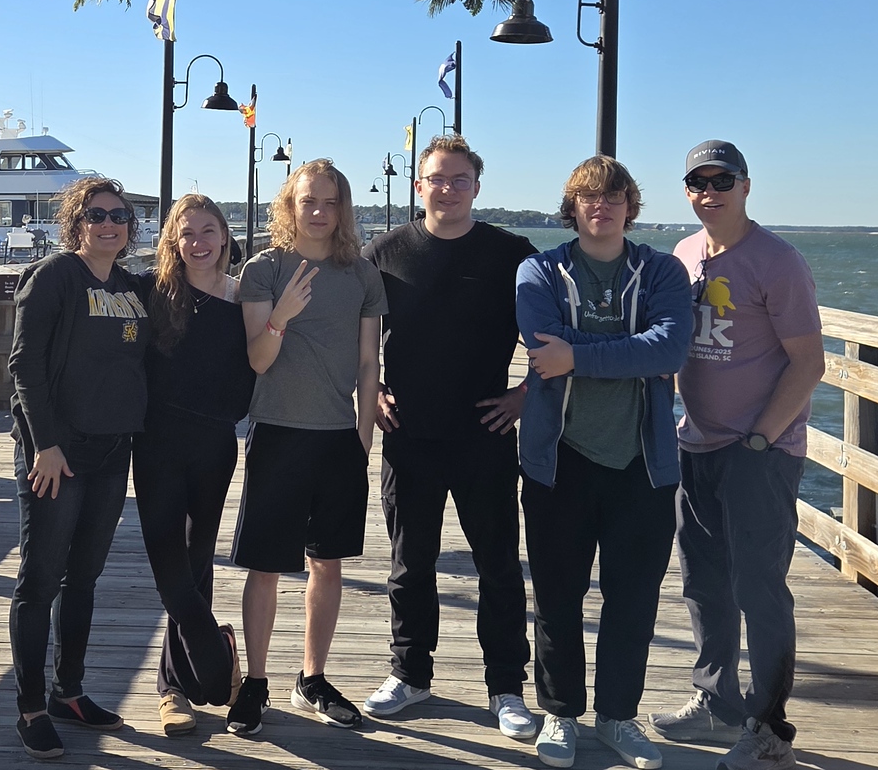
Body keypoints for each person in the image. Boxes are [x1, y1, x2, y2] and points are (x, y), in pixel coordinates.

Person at [359, 135, 540, 740]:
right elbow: (349, 332)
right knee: (411, 564)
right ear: (419, 186)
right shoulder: (384, 252)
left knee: (498, 565)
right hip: (409, 433)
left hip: (484, 433)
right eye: (437, 178)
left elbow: (558, 333)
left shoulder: (511, 253)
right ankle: (410, 674)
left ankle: (506, 688)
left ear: (477, 188)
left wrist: (524, 394)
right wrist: (372, 388)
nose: (448, 188)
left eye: (460, 179)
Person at [650, 141, 824, 770]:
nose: (710, 191)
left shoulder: (777, 261)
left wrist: (760, 439)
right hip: (695, 443)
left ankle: (769, 727)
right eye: (698, 181)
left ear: (746, 186)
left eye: (723, 180)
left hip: (760, 450)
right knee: (703, 583)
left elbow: (809, 362)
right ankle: (715, 700)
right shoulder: (685, 253)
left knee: (760, 588)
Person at [515, 156, 692, 770]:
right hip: (558, 461)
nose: (602, 206)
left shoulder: (662, 269)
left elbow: (671, 345)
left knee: (633, 598)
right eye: (590, 198)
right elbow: (542, 350)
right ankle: (561, 715)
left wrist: (580, 353)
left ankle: (618, 716)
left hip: (642, 464)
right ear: (574, 206)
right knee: (558, 594)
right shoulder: (539, 269)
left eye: (614, 197)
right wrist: (629, 353)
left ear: (629, 206)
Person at [228, 159, 387, 736]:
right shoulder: (264, 269)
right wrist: (282, 318)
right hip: (277, 433)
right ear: (288, 207)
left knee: (328, 563)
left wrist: (362, 440)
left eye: (330, 202)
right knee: (266, 565)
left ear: (343, 208)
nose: (319, 212)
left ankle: (311, 678)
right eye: (307, 202)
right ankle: (257, 681)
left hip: (339, 439)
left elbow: (370, 364)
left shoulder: (361, 275)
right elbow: (258, 361)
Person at [7, 178, 151, 760]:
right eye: (96, 215)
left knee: (84, 578)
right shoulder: (54, 278)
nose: (108, 224)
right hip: (57, 455)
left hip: (113, 451)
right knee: (40, 578)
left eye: (119, 215)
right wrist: (44, 445)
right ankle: (31, 706)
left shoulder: (129, 285)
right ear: (76, 222)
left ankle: (70, 691)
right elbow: (24, 367)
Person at [134, 194, 255, 735]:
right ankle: (213, 660)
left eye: (210, 231)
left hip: (214, 444)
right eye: (188, 233)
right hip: (156, 441)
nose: (199, 242)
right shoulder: (153, 293)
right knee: (168, 564)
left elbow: (256, 371)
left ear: (225, 237)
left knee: (197, 559)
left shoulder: (243, 297)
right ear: (173, 241)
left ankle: (173, 692)